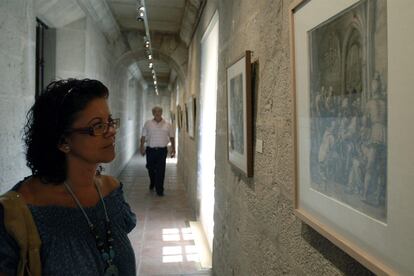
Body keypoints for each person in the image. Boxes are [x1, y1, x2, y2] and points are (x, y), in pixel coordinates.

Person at [0, 79, 137, 275]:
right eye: (97, 126)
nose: (112, 131)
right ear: (63, 141)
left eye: (110, 121)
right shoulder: (17, 214)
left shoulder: (111, 192)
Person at [140, 106, 175, 196]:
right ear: (153, 113)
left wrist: (173, 149)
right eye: (155, 112)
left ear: (161, 113)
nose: (157, 113)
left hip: (162, 151)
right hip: (150, 150)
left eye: (159, 111)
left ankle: (160, 190)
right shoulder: (148, 123)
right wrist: (141, 147)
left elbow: (172, 137)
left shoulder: (168, 124)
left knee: (161, 170)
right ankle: (153, 181)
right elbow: (143, 136)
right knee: (150, 168)